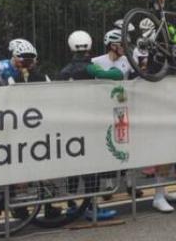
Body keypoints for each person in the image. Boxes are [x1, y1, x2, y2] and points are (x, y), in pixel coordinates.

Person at [58, 31, 125, 221]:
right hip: (87, 123)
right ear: (89, 47)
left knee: (72, 168)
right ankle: (92, 207)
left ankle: (72, 205)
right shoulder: (89, 68)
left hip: (68, 124)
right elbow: (114, 74)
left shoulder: (64, 70)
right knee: (90, 168)